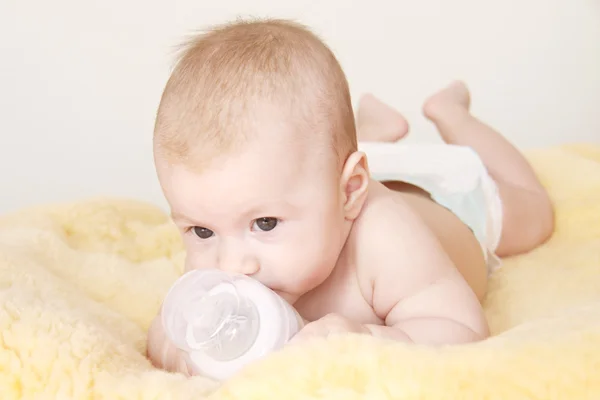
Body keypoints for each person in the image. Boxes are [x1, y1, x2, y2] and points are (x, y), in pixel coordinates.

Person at [146, 18, 554, 375]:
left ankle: (454, 115)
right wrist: (184, 355)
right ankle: (375, 129)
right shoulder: (248, 221)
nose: (232, 266)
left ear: (351, 192)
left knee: (534, 217)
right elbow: (166, 327)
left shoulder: (385, 242)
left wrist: (370, 338)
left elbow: (461, 329)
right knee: (320, 157)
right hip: (336, 175)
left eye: (265, 223)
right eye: (200, 231)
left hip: (451, 208)